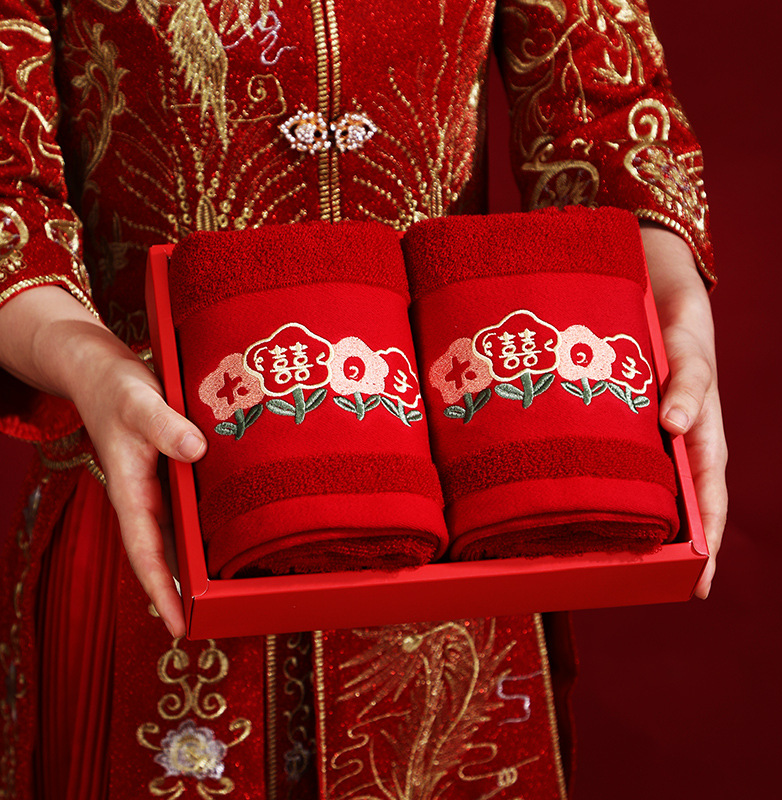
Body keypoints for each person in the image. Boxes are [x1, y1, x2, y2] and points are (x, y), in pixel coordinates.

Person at [0, 1, 726, 797]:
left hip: (456, 503)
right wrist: (83, 357)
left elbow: (607, 119)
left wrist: (669, 309)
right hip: (154, 474)